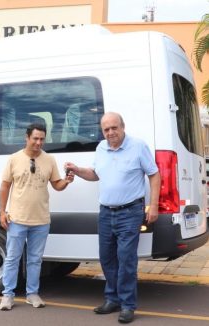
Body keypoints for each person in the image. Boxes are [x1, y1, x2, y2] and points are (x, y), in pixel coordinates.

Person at [64, 112, 160, 323]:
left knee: (126, 259)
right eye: (106, 129)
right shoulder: (101, 148)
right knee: (107, 257)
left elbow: (154, 174)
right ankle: (112, 299)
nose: (110, 133)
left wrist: (153, 205)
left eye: (114, 128)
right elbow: (95, 174)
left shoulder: (138, 146)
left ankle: (127, 305)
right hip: (106, 212)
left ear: (122, 127)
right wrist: (77, 170)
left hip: (130, 212)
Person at [0, 122, 74, 311]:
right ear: (27, 138)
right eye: (35, 138)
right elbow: (5, 186)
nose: (39, 142)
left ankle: (32, 294)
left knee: (35, 259)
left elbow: (56, 185)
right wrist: (2, 212)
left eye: (42, 139)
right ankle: (8, 295)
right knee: (12, 258)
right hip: (17, 219)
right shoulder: (14, 159)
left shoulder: (49, 160)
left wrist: (66, 181)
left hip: (41, 221)